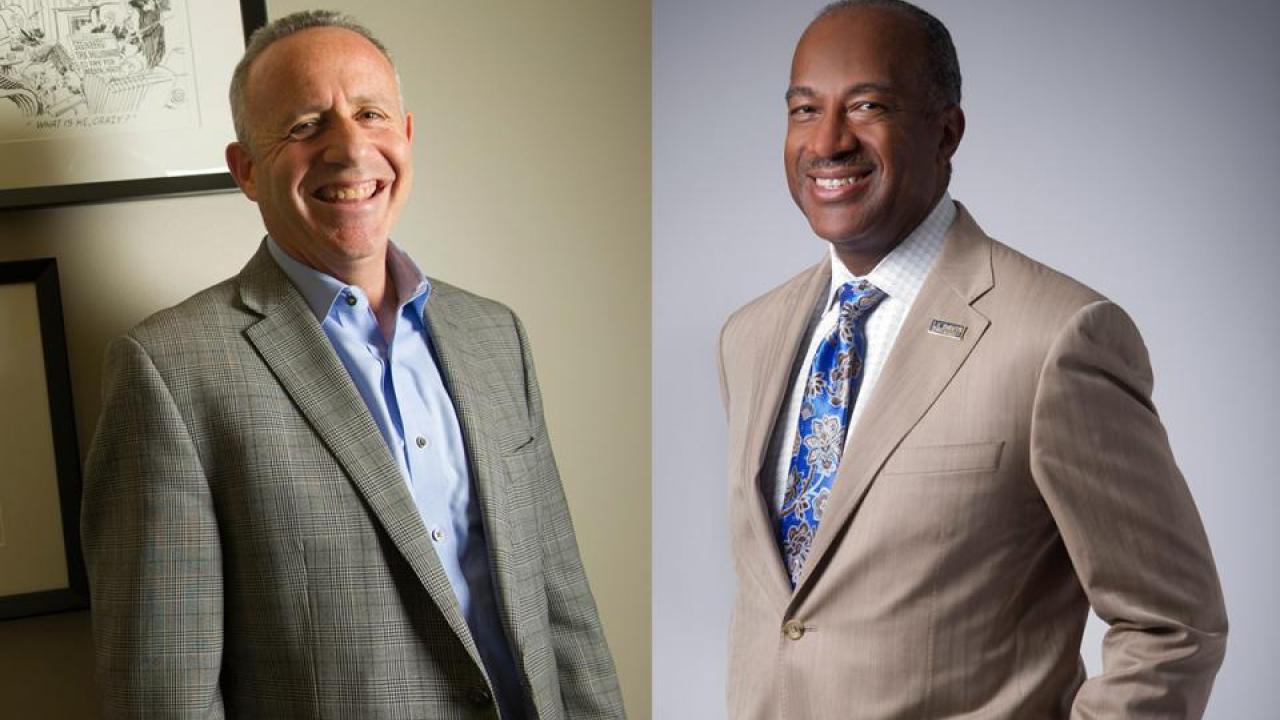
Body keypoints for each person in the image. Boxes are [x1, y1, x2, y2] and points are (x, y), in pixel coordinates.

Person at [81, 10, 624, 719]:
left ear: (406, 136)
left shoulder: (496, 337)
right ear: (245, 170)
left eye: (371, 113)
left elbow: (564, 611)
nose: (349, 147)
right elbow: (163, 695)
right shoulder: (169, 373)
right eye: (306, 125)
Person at [716, 1, 1227, 717]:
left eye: (867, 105)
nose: (828, 141)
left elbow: (1174, 626)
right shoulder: (750, 337)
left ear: (946, 132)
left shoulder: (1056, 337)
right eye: (804, 110)